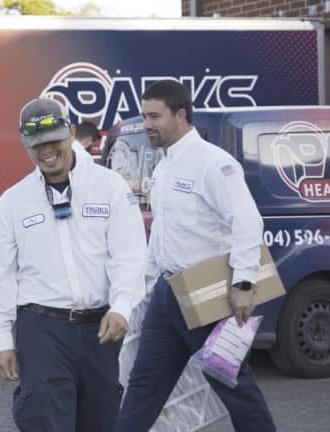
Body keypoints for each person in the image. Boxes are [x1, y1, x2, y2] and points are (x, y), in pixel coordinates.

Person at [113, 80, 276, 431]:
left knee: (232, 384)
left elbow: (247, 221)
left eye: (155, 116)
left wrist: (244, 282)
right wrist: (142, 290)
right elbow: (161, 235)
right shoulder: (163, 167)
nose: (148, 125)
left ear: (181, 115)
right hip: (168, 294)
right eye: (145, 116)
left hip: (208, 294)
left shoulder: (213, 163)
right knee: (143, 386)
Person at [0, 98, 147, 432]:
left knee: (101, 420)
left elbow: (128, 255)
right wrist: (2, 339)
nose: (46, 151)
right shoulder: (13, 201)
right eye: (36, 144)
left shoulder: (109, 186)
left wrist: (121, 308)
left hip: (100, 328)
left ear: (71, 132)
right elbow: (2, 275)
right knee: (44, 419)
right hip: (41, 328)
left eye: (54, 140)